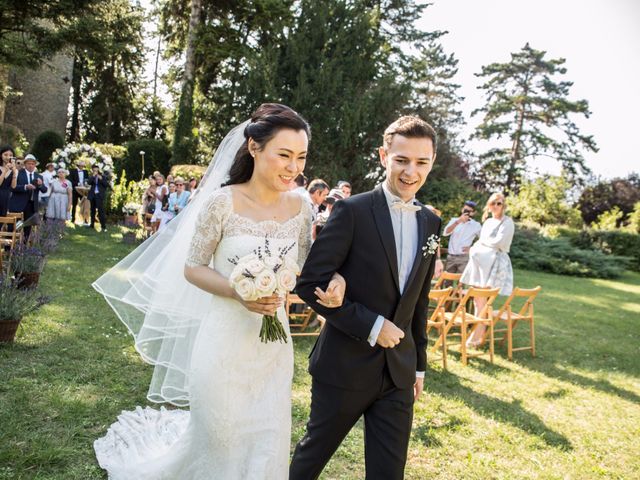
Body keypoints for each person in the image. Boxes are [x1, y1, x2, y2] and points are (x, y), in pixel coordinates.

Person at [92, 103, 346, 479]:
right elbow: (193, 268)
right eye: (285, 155)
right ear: (254, 148)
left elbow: (309, 269)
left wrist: (337, 280)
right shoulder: (221, 203)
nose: (295, 167)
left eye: (302, 157)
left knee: (267, 434)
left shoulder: (301, 206)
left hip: (273, 349)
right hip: (224, 342)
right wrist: (236, 290)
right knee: (222, 435)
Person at [290, 116, 442, 480]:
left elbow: (419, 302)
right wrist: (373, 325)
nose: (410, 171)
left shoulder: (431, 224)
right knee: (310, 461)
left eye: (421, 162)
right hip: (344, 366)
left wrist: (418, 365)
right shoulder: (352, 210)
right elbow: (310, 282)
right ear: (383, 155)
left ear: (432, 162)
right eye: (401, 159)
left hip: (399, 374)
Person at [460, 192, 515, 347]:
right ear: (489, 205)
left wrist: (481, 244)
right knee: (478, 301)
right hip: (479, 265)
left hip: (494, 265)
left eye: (499, 203)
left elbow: (499, 242)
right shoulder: (488, 221)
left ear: (503, 205)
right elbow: (482, 240)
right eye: (493, 203)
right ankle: (479, 335)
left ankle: (475, 337)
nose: (496, 206)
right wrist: (478, 247)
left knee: (485, 300)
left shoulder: (507, 222)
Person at [9, 154, 47, 239]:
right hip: (18, 204)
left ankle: (24, 247)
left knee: (28, 227)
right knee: (14, 226)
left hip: (32, 205)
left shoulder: (39, 176)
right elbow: (12, 188)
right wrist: (25, 187)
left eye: (33, 164)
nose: (30, 165)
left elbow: (45, 190)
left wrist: (40, 185)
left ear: (35, 165)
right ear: (25, 164)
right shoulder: (18, 173)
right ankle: (9, 248)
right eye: (28, 163)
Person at [443, 200, 481, 274]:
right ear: (462, 209)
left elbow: (484, 239)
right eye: (465, 210)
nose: (466, 212)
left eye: (469, 211)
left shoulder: (476, 225)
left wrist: (472, 248)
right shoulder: (454, 220)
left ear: (473, 213)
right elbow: (445, 233)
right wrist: (458, 221)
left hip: (464, 258)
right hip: (451, 257)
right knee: (447, 282)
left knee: (462, 282)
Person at [87, 164, 109, 232]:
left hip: (99, 196)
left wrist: (101, 179)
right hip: (93, 195)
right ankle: (92, 224)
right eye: (94, 170)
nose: (95, 171)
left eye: (96, 170)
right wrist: (93, 176)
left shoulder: (103, 176)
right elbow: (89, 182)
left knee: (101, 211)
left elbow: (106, 185)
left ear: (98, 170)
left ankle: (103, 226)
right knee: (92, 211)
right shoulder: (92, 176)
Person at [0, 145, 18, 216]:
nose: (8, 157)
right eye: (5, 154)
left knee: (3, 221)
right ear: (1, 155)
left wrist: (14, 172)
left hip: (6, 198)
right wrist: (4, 171)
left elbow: (13, 186)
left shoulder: (15, 170)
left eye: (10, 155)